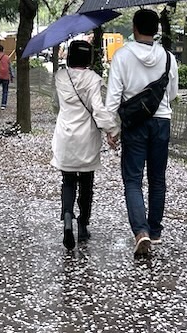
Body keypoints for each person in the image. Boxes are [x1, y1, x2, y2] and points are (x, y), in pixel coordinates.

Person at [104, 9, 178, 257]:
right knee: (158, 179)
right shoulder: (168, 57)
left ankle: (141, 233)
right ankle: (155, 231)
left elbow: (113, 97)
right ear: (156, 29)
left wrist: (112, 128)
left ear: (135, 27)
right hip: (161, 122)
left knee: (133, 180)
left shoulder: (122, 56)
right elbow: (173, 93)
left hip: (134, 124)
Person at [52, 40, 117, 249]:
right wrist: (112, 130)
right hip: (86, 137)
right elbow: (98, 109)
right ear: (88, 57)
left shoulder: (60, 77)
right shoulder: (93, 79)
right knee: (87, 182)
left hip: (65, 135)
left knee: (68, 180)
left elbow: (56, 104)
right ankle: (83, 224)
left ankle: (68, 217)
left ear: (69, 56)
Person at [0, 44, 14, 109]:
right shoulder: (7, 57)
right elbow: (10, 67)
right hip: (6, 76)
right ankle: (3, 104)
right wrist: (12, 76)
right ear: (3, 50)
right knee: (5, 91)